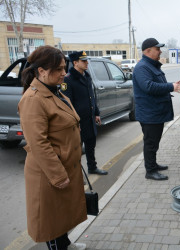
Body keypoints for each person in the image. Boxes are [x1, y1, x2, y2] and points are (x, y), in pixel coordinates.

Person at [18, 45, 87, 250]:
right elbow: (38, 144)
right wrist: (58, 175)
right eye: (58, 69)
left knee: (62, 216)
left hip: (64, 165)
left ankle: (66, 244)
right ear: (41, 71)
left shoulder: (54, 91)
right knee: (52, 222)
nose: (64, 73)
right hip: (48, 174)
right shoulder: (33, 99)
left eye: (64, 68)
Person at [133, 38, 180, 181]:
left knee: (154, 141)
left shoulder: (151, 66)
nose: (160, 51)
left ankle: (153, 164)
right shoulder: (142, 67)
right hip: (149, 114)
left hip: (155, 112)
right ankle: (150, 171)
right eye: (157, 49)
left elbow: (156, 84)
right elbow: (149, 86)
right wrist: (171, 87)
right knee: (150, 143)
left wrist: (171, 85)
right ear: (148, 51)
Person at [62, 51, 108, 175]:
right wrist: (75, 122)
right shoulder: (68, 80)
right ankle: (76, 175)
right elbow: (67, 103)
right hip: (78, 121)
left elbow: (91, 97)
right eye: (83, 61)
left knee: (90, 145)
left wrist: (96, 113)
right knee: (76, 150)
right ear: (75, 63)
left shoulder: (86, 76)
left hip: (89, 118)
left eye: (86, 60)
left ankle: (92, 167)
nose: (87, 62)